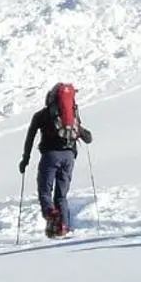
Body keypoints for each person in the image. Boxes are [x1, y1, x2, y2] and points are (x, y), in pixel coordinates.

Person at [20, 84, 93, 238]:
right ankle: (64, 228)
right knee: (61, 196)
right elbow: (89, 138)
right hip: (69, 157)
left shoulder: (41, 115)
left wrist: (25, 160)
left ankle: (51, 214)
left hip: (50, 156)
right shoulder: (72, 117)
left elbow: (30, 138)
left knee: (45, 191)